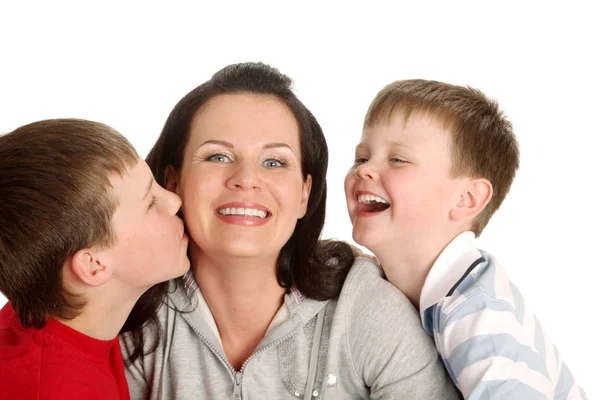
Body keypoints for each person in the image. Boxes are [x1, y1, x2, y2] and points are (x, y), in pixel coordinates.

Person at [120, 62, 459, 399]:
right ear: (172, 182)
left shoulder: (366, 310)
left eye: (274, 162)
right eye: (218, 157)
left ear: (304, 194)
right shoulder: (131, 314)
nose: (246, 179)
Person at [344, 79, 587, 399]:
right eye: (362, 158)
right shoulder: (432, 291)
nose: (365, 171)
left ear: (467, 199)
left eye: (398, 160)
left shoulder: (479, 311)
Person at [0, 119, 190, 400]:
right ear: (94, 265)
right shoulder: (51, 390)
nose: (174, 201)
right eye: (150, 203)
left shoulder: (43, 311)